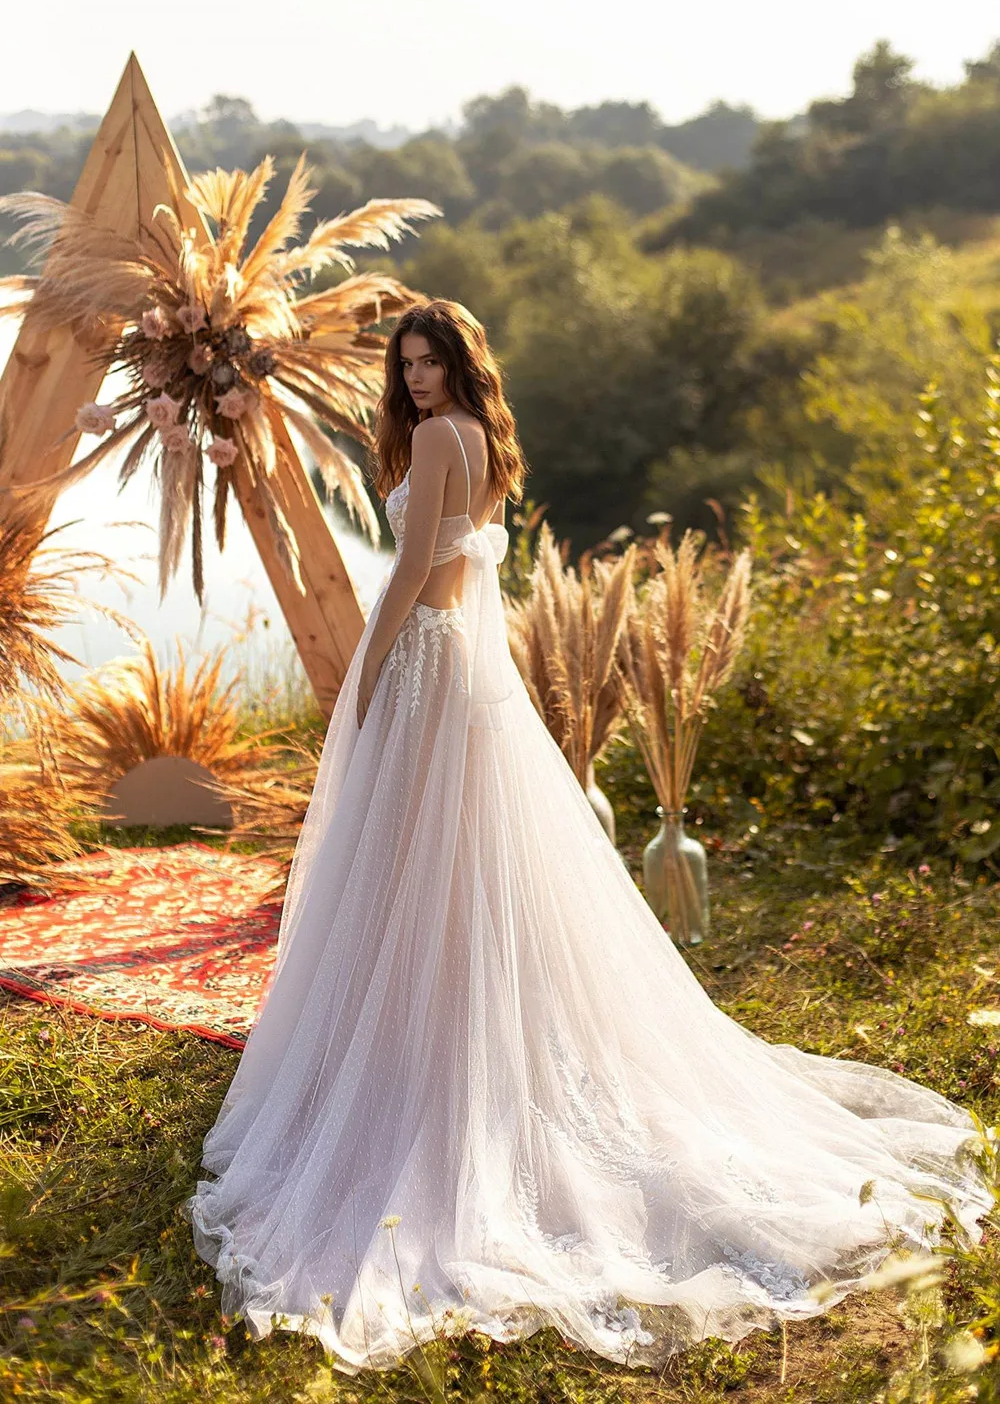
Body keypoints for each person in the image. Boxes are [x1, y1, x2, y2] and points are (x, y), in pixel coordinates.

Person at [185, 299, 995, 1377]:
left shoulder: (435, 438)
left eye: (430, 362)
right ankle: (443, 1033)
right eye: (407, 364)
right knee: (459, 869)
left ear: (457, 366)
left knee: (417, 866)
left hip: (431, 669)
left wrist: (364, 678)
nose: (417, 379)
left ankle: (422, 1060)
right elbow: (467, 563)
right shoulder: (480, 441)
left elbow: (420, 574)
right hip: (477, 686)